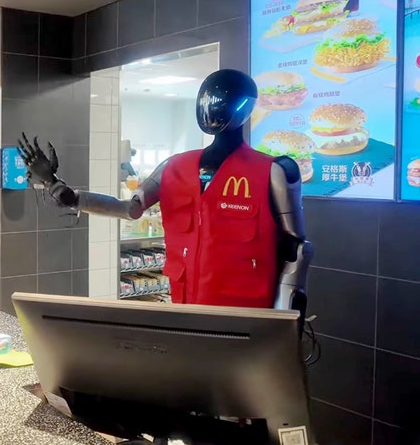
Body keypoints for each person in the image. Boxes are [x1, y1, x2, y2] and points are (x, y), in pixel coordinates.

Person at [20, 69, 312, 314]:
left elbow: (297, 249)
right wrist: (64, 191)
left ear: (246, 108)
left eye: (223, 102)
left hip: (247, 315)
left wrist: (285, 317)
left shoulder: (272, 171)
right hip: (185, 308)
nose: (213, 109)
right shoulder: (174, 168)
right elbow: (130, 209)